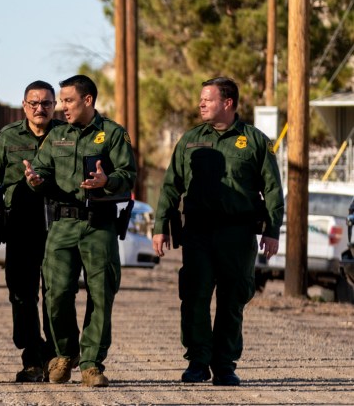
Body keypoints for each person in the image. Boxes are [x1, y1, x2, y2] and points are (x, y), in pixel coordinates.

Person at [152, 77, 282, 386]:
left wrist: (273, 230)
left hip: (237, 235)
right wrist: (160, 226)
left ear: (228, 103)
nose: (200, 104)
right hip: (198, 233)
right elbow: (171, 186)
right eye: (201, 99)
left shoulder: (255, 141)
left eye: (207, 100)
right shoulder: (190, 140)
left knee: (232, 299)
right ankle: (197, 362)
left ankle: (224, 365)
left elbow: (273, 189)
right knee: (194, 297)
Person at [23, 74, 137, 388]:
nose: (62, 107)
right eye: (61, 101)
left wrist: (107, 181)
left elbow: (128, 175)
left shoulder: (112, 134)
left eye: (68, 100)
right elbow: (43, 169)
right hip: (61, 226)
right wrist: (35, 178)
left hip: (99, 224)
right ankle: (64, 353)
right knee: (56, 295)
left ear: (88, 100)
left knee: (101, 296)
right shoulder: (57, 136)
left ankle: (91, 364)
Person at [0, 80, 64, 383]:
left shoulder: (66, 136)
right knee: (22, 295)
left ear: (55, 105)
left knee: (56, 295)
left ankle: (55, 357)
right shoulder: (8, 137)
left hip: (59, 229)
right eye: (34, 103)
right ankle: (31, 359)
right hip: (21, 228)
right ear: (24, 106)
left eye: (47, 103)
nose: (40, 109)